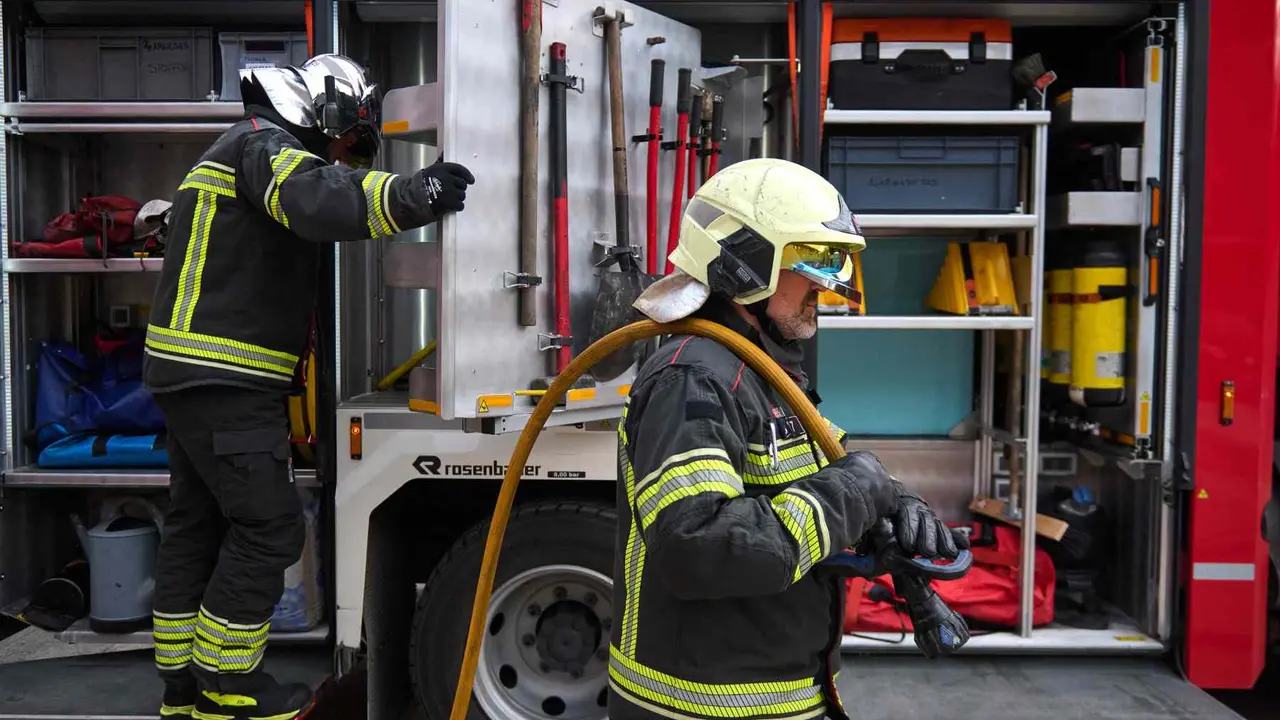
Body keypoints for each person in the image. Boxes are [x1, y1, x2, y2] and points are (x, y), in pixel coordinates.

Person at [142, 54, 475, 720]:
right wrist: (419, 194)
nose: (345, 157)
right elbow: (320, 198)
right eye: (347, 140)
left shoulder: (233, 147)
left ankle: (183, 688)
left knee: (197, 528)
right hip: (225, 379)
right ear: (327, 116)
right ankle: (228, 687)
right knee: (269, 529)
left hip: (191, 377)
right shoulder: (267, 148)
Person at [609, 157, 968, 720]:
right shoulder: (694, 378)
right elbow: (698, 549)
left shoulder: (762, 372)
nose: (827, 284)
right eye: (813, 260)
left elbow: (823, 464)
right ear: (745, 264)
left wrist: (892, 499)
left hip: (775, 695)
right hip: (702, 706)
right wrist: (853, 493)